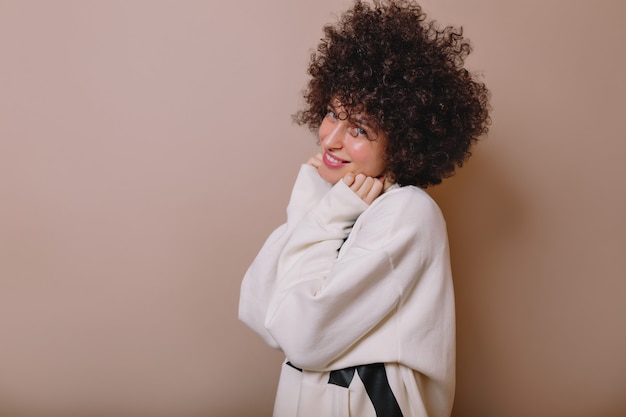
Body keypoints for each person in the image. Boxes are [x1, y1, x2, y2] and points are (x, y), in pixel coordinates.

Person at [238, 0, 490, 416]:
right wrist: (313, 199)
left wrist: (328, 211)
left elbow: (301, 337)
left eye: (358, 128)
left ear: (403, 141)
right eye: (332, 115)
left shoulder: (408, 212)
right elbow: (258, 308)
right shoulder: (340, 202)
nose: (331, 139)